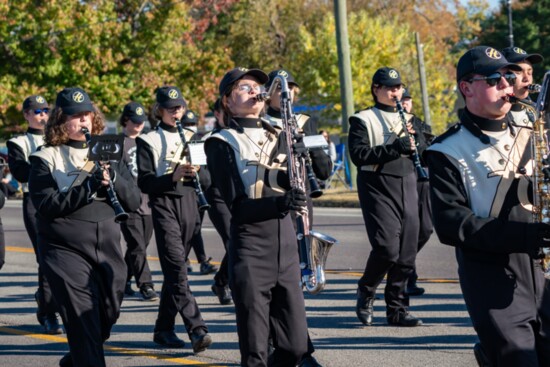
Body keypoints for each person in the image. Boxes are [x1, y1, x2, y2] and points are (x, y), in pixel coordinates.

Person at [425, 46, 550, 366]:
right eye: (495, 79)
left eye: (509, 77)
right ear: (467, 87)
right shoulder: (447, 150)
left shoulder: (532, 132)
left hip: (542, 270)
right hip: (491, 275)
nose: (508, 85)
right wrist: (525, 237)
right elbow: (452, 223)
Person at [28, 87, 140, 367]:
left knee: (107, 312)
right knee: (82, 319)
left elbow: (135, 200)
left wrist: (112, 175)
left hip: (107, 245)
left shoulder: (110, 149)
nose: (83, 121)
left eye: (86, 114)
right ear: (60, 120)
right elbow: (47, 205)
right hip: (63, 248)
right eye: (75, 116)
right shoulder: (46, 157)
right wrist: (87, 187)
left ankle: (76, 359)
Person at [205, 67, 309, 366]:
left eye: (257, 87)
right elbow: (236, 205)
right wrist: (281, 203)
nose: (254, 91)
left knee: (296, 346)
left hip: (286, 246)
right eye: (244, 87)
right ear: (227, 100)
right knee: (255, 351)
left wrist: (302, 161)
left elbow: (295, 181)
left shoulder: (280, 133)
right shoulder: (220, 142)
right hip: (251, 248)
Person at [136, 86, 213, 354]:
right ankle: (197, 328)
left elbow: (207, 181)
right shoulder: (149, 140)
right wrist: (173, 174)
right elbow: (144, 181)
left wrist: (198, 170)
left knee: (174, 270)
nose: (175, 111)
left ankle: (163, 328)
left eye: (178, 106)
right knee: (177, 268)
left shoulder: (196, 137)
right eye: (170, 108)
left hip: (191, 203)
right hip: (164, 203)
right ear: (159, 110)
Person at [349, 67, 426, 327]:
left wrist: (421, 143)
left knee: (406, 253)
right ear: (376, 89)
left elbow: (430, 148)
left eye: (398, 87)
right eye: (390, 87)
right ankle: (367, 289)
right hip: (377, 183)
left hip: (408, 181)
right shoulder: (362, 119)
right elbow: (358, 155)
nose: (395, 92)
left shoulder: (412, 119)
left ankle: (397, 309)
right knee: (386, 248)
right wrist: (395, 148)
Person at [264, 68, 331, 367]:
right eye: (281, 88)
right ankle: (289, 347)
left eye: (291, 88)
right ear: (269, 93)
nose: (287, 93)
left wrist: (313, 149)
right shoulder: (259, 123)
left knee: (297, 276)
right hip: (270, 201)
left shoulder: (305, 122)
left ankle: (295, 346)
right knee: (276, 279)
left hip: (302, 201)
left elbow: (324, 170)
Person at [7, 95, 63, 334]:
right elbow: (20, 172)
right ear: (27, 115)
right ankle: (50, 313)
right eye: (37, 111)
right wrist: (45, 165)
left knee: (60, 257)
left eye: (45, 110)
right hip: (34, 200)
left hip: (61, 198)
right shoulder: (18, 142)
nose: (43, 115)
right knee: (45, 256)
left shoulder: (60, 137)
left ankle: (46, 300)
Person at [119, 101, 159, 302]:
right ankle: (146, 285)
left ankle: (122, 280)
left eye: (141, 121)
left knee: (141, 244)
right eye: (135, 121)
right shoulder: (118, 143)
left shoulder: (147, 141)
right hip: (128, 201)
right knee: (137, 245)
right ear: (125, 120)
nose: (139, 125)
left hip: (148, 200)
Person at [400, 88, 434, 297]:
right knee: (408, 231)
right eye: (401, 100)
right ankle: (407, 277)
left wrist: (417, 135)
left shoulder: (420, 124)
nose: (404, 103)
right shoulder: (388, 123)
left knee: (426, 229)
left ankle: (403, 263)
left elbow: (427, 151)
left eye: (407, 100)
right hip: (402, 178)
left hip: (422, 178)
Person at [181, 110, 218, 276]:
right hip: (183, 193)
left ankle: (201, 261)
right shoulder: (177, 143)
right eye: (186, 125)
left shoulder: (198, 142)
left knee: (195, 227)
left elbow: (205, 173)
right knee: (185, 228)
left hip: (198, 192)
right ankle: (185, 260)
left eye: (192, 124)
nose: (190, 127)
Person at [204, 99, 233, 305]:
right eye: (225, 111)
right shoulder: (208, 139)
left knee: (240, 242)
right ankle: (224, 282)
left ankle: (222, 281)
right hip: (217, 196)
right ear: (217, 114)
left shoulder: (239, 135)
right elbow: (204, 177)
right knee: (234, 241)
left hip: (237, 195)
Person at [501, 46, 544, 127]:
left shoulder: (536, 111)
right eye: (518, 72)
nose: (527, 79)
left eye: (529, 72)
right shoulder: (493, 114)